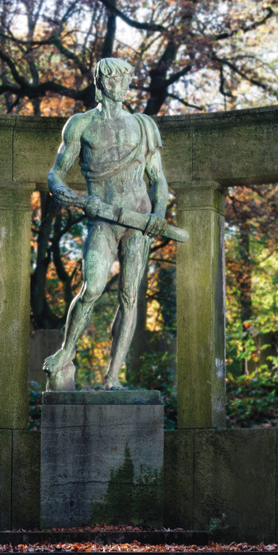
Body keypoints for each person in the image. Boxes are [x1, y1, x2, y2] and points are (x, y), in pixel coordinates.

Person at [42, 57, 170, 391]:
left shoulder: (144, 125)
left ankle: (113, 377)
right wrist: (71, 196)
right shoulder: (80, 125)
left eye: (128, 77)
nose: (125, 84)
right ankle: (66, 351)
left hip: (139, 222)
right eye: (117, 78)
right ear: (102, 83)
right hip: (101, 220)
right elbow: (56, 172)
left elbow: (158, 180)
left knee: (129, 297)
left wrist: (158, 215)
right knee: (93, 287)